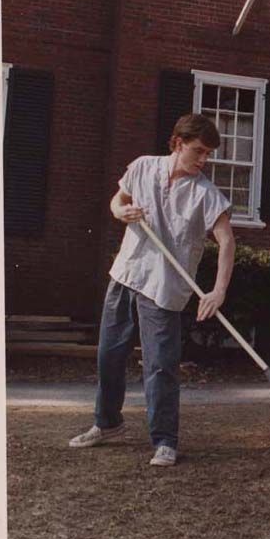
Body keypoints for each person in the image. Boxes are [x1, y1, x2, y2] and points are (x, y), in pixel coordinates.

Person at [69, 114, 236, 466]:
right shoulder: (143, 167)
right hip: (127, 273)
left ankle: (165, 441)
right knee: (109, 355)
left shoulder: (206, 194)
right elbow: (117, 201)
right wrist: (122, 212)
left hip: (164, 287)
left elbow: (226, 241)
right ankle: (107, 424)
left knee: (160, 365)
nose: (203, 160)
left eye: (208, 154)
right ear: (177, 143)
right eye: (198, 151)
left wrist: (218, 290)